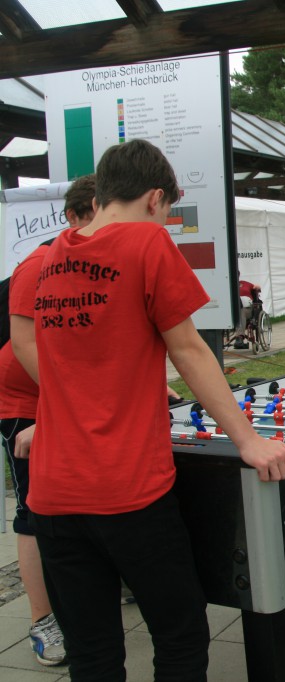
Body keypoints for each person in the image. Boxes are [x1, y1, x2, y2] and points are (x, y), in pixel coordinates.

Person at [12, 139, 285, 680]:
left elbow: (61, 360)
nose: (165, 222)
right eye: (167, 211)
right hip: (127, 490)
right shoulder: (146, 241)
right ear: (154, 198)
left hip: (52, 494)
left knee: (92, 653)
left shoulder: (49, 259)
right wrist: (248, 440)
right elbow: (189, 349)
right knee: (180, 637)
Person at [0, 175, 97, 667]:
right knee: (33, 511)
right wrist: (63, 406)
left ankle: (101, 581)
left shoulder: (100, 263)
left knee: (87, 495)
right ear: (76, 216)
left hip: (67, 400)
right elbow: (25, 346)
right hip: (23, 403)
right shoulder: (39, 264)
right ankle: (43, 620)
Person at [231, 276, 261, 349]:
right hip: (233, 310)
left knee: (241, 311)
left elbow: (257, 289)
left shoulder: (245, 283)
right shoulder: (228, 286)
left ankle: (239, 337)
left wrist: (257, 287)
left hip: (247, 309)